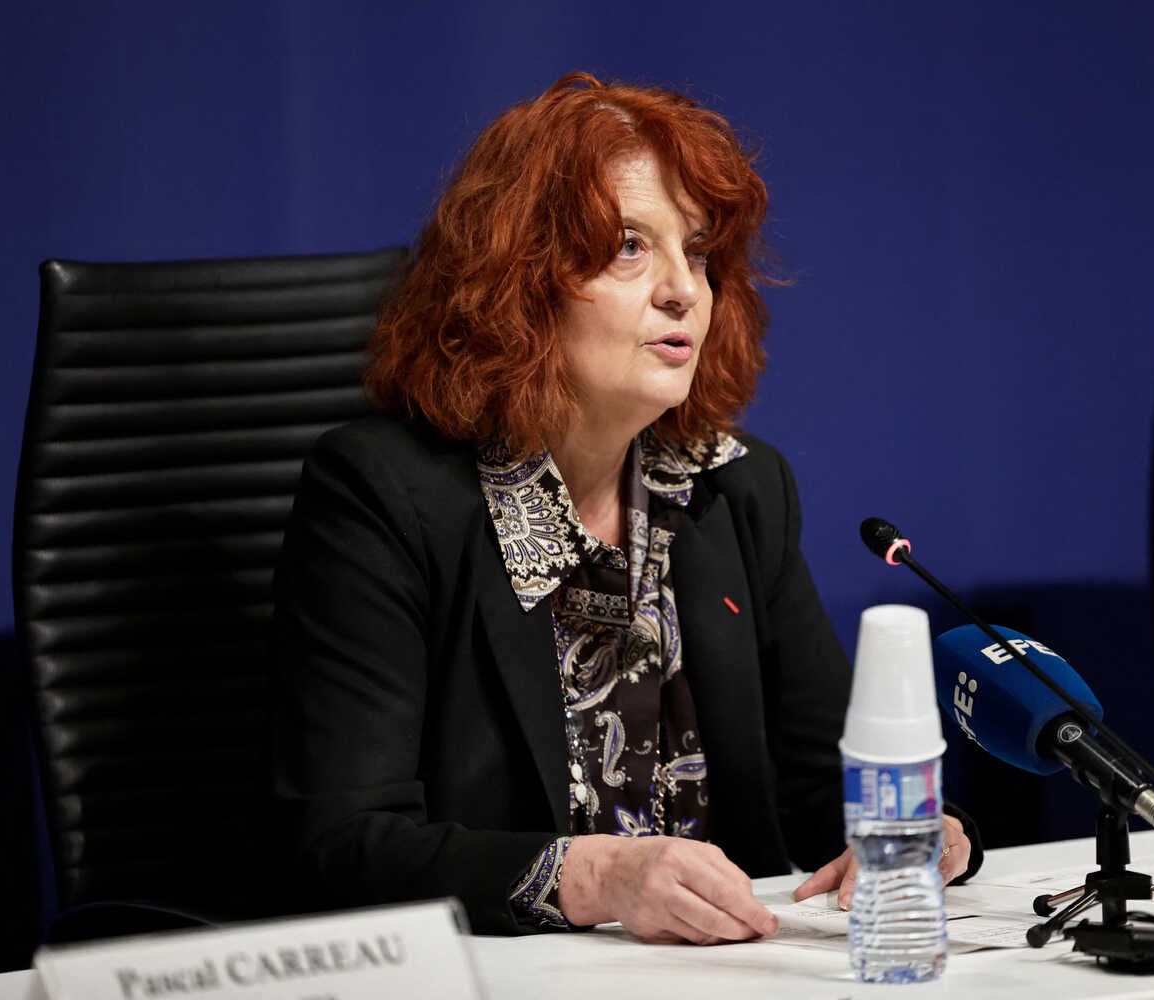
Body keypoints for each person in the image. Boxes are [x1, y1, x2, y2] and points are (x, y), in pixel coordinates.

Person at [272, 71, 978, 944]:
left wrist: (915, 836)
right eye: (629, 248)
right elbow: (343, 845)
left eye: (699, 252)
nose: (683, 290)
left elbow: (828, 782)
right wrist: (597, 873)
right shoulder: (385, 497)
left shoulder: (733, 488)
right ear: (518, 283)